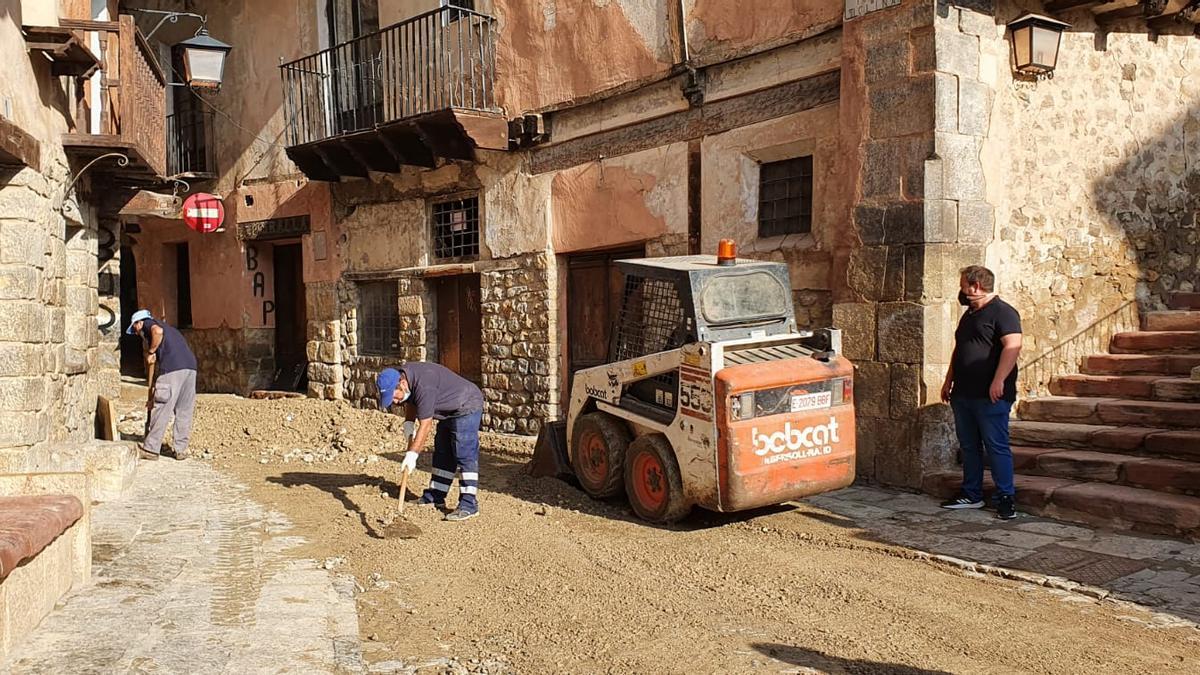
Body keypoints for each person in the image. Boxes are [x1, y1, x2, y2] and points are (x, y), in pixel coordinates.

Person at [939, 266, 1023, 520]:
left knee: (996, 446)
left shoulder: (1003, 313)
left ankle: (1005, 497)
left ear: (975, 286)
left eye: (964, 284)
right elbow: (960, 349)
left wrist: (998, 380)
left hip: (990, 395)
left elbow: (1012, 346)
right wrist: (948, 380)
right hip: (963, 393)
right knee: (969, 445)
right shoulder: (969, 315)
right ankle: (971, 493)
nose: (961, 290)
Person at [377, 363, 485, 522]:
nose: (395, 402)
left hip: (466, 404)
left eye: (393, 396)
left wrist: (412, 455)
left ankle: (469, 505)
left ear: (402, 384)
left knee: (464, 452)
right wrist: (408, 422)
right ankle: (435, 496)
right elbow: (413, 401)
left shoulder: (423, 385)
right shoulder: (407, 378)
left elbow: (426, 425)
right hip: (448, 410)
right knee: (443, 452)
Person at [127, 309, 198, 461]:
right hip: (190, 368)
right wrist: (152, 394)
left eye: (134, 328)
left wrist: (151, 351)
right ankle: (181, 450)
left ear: (139, 323)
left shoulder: (149, 325)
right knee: (184, 410)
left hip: (173, 368)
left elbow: (157, 332)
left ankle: (151, 449)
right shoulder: (170, 329)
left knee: (162, 407)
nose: (136, 332)